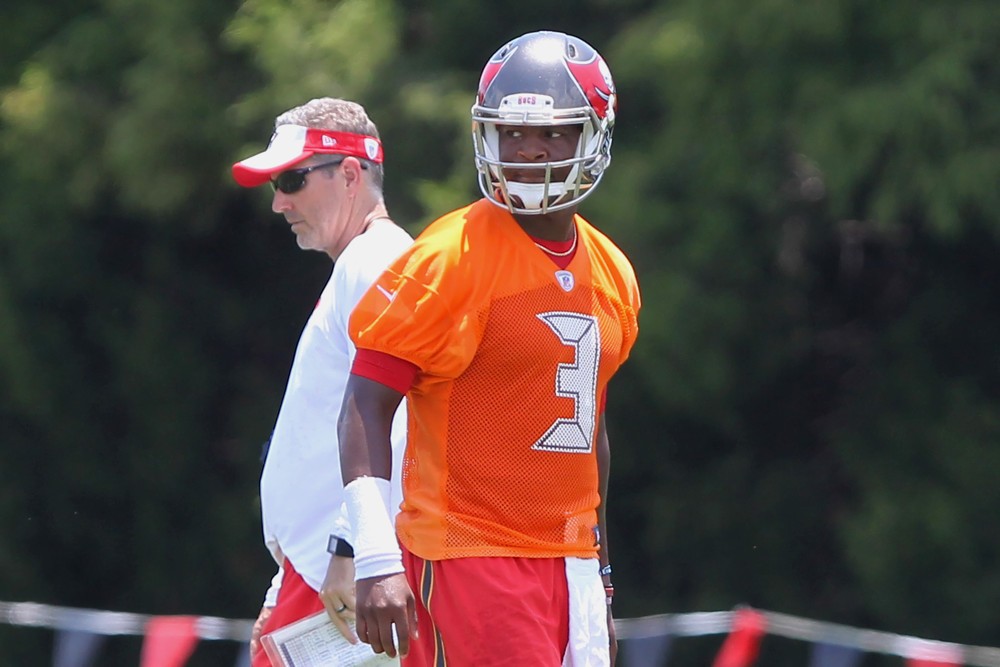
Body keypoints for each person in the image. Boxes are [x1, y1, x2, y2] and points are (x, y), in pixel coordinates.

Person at [338, 31, 640, 666]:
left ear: (594, 135)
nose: (529, 151)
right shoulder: (451, 256)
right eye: (511, 134)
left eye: (553, 133)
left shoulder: (612, 272)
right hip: (470, 559)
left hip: (571, 565)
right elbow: (365, 404)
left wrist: (601, 579)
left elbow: (590, 438)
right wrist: (373, 552)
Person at [230, 97, 412, 667]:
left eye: (292, 179)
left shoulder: (376, 258)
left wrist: (352, 546)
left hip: (342, 578)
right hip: (322, 577)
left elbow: (403, 411)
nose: (280, 202)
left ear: (351, 174)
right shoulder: (362, 262)